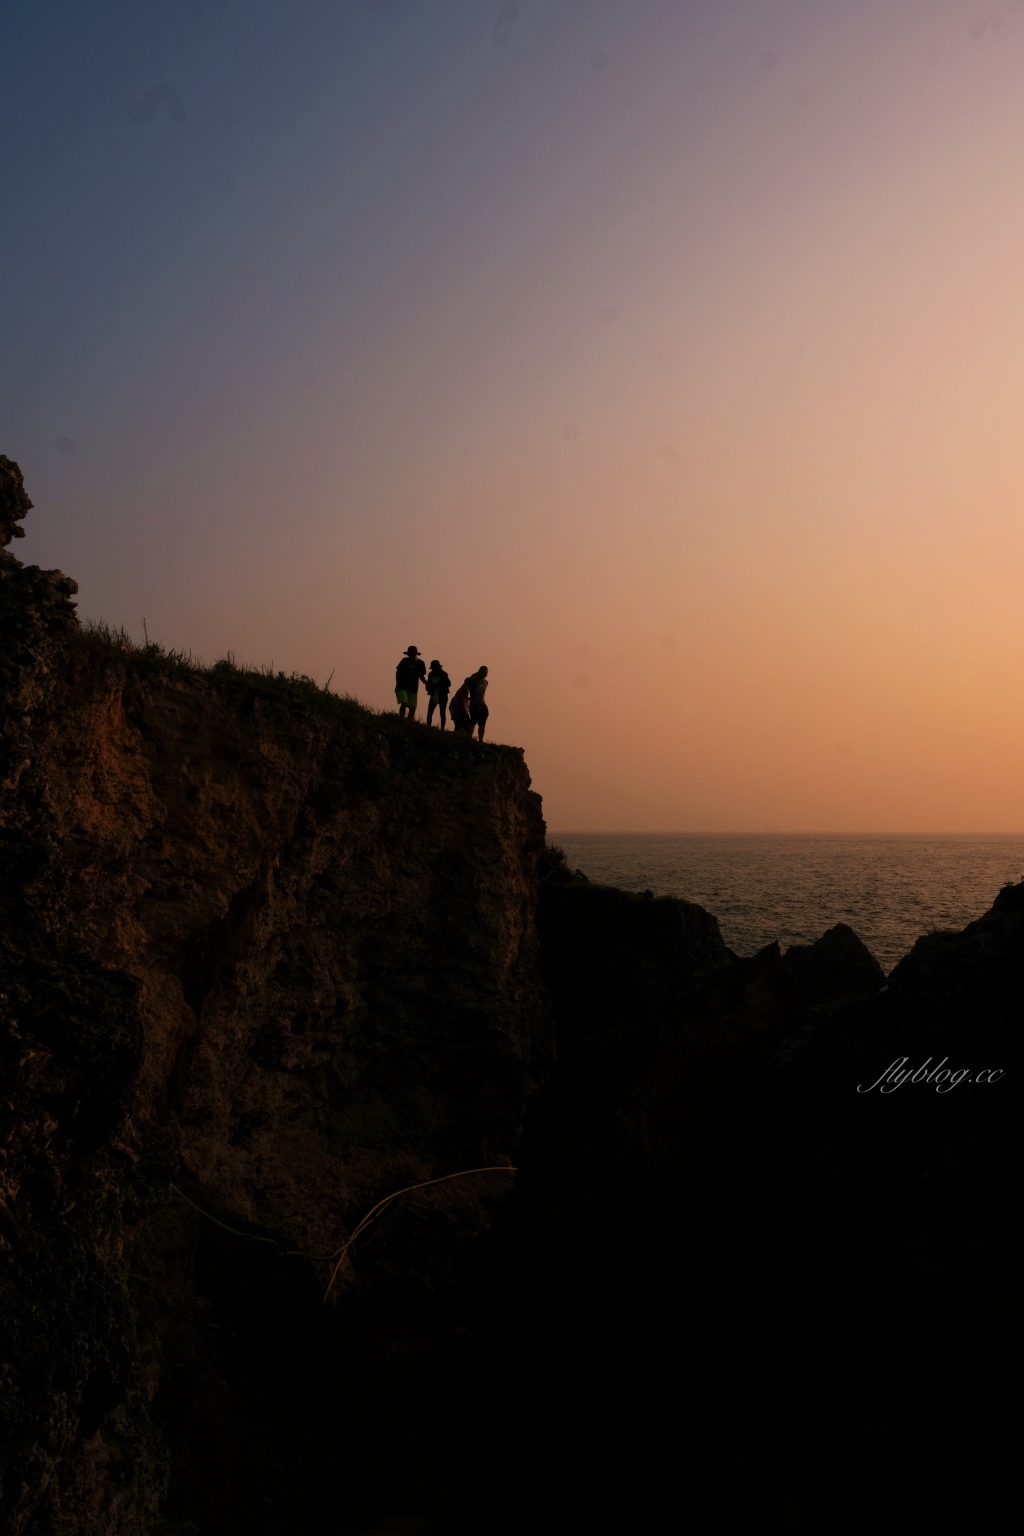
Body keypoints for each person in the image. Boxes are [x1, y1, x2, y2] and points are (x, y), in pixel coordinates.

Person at [394, 645, 427, 719]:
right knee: (404, 702)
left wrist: (426, 682)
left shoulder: (421, 663)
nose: (411, 656)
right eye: (410, 654)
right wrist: (397, 683)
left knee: (412, 707)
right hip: (402, 686)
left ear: (416, 654)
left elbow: (421, 676)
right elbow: (398, 672)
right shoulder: (404, 661)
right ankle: (401, 719)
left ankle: (409, 723)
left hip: (413, 688)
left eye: (413, 654)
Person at [425, 660, 451, 728]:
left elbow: (449, 683)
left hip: (443, 695)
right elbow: (428, 685)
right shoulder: (431, 675)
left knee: (442, 712)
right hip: (434, 695)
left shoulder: (444, 674)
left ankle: (442, 728)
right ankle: (428, 726)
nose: (434, 669)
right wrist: (429, 688)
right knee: (430, 712)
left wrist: (439, 687)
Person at [469, 666, 489, 740]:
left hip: (482, 703)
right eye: (483, 672)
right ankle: (469, 738)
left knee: (482, 723)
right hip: (474, 703)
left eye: (486, 673)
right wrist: (468, 698)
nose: (484, 674)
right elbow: (464, 688)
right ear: (479, 671)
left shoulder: (486, 682)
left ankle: (481, 740)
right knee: (473, 722)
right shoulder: (473, 679)